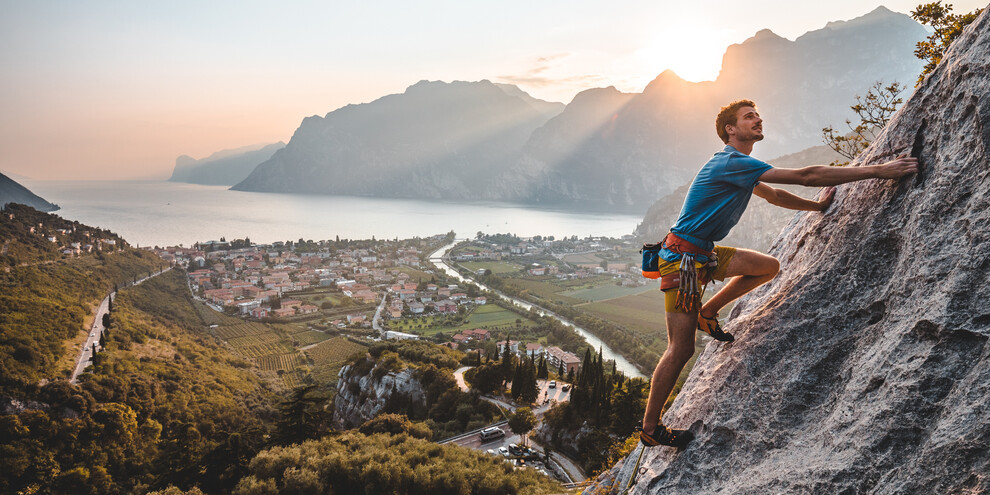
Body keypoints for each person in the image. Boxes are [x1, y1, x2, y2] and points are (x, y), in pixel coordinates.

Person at [639, 99, 918, 448]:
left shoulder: (740, 167)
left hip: (702, 254)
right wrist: (879, 170)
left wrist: (817, 207)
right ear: (730, 129)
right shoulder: (730, 161)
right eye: (748, 117)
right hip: (682, 261)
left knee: (767, 266)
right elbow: (806, 176)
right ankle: (650, 429)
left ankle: (708, 312)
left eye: (757, 115)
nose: (758, 120)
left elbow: (774, 195)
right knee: (680, 350)